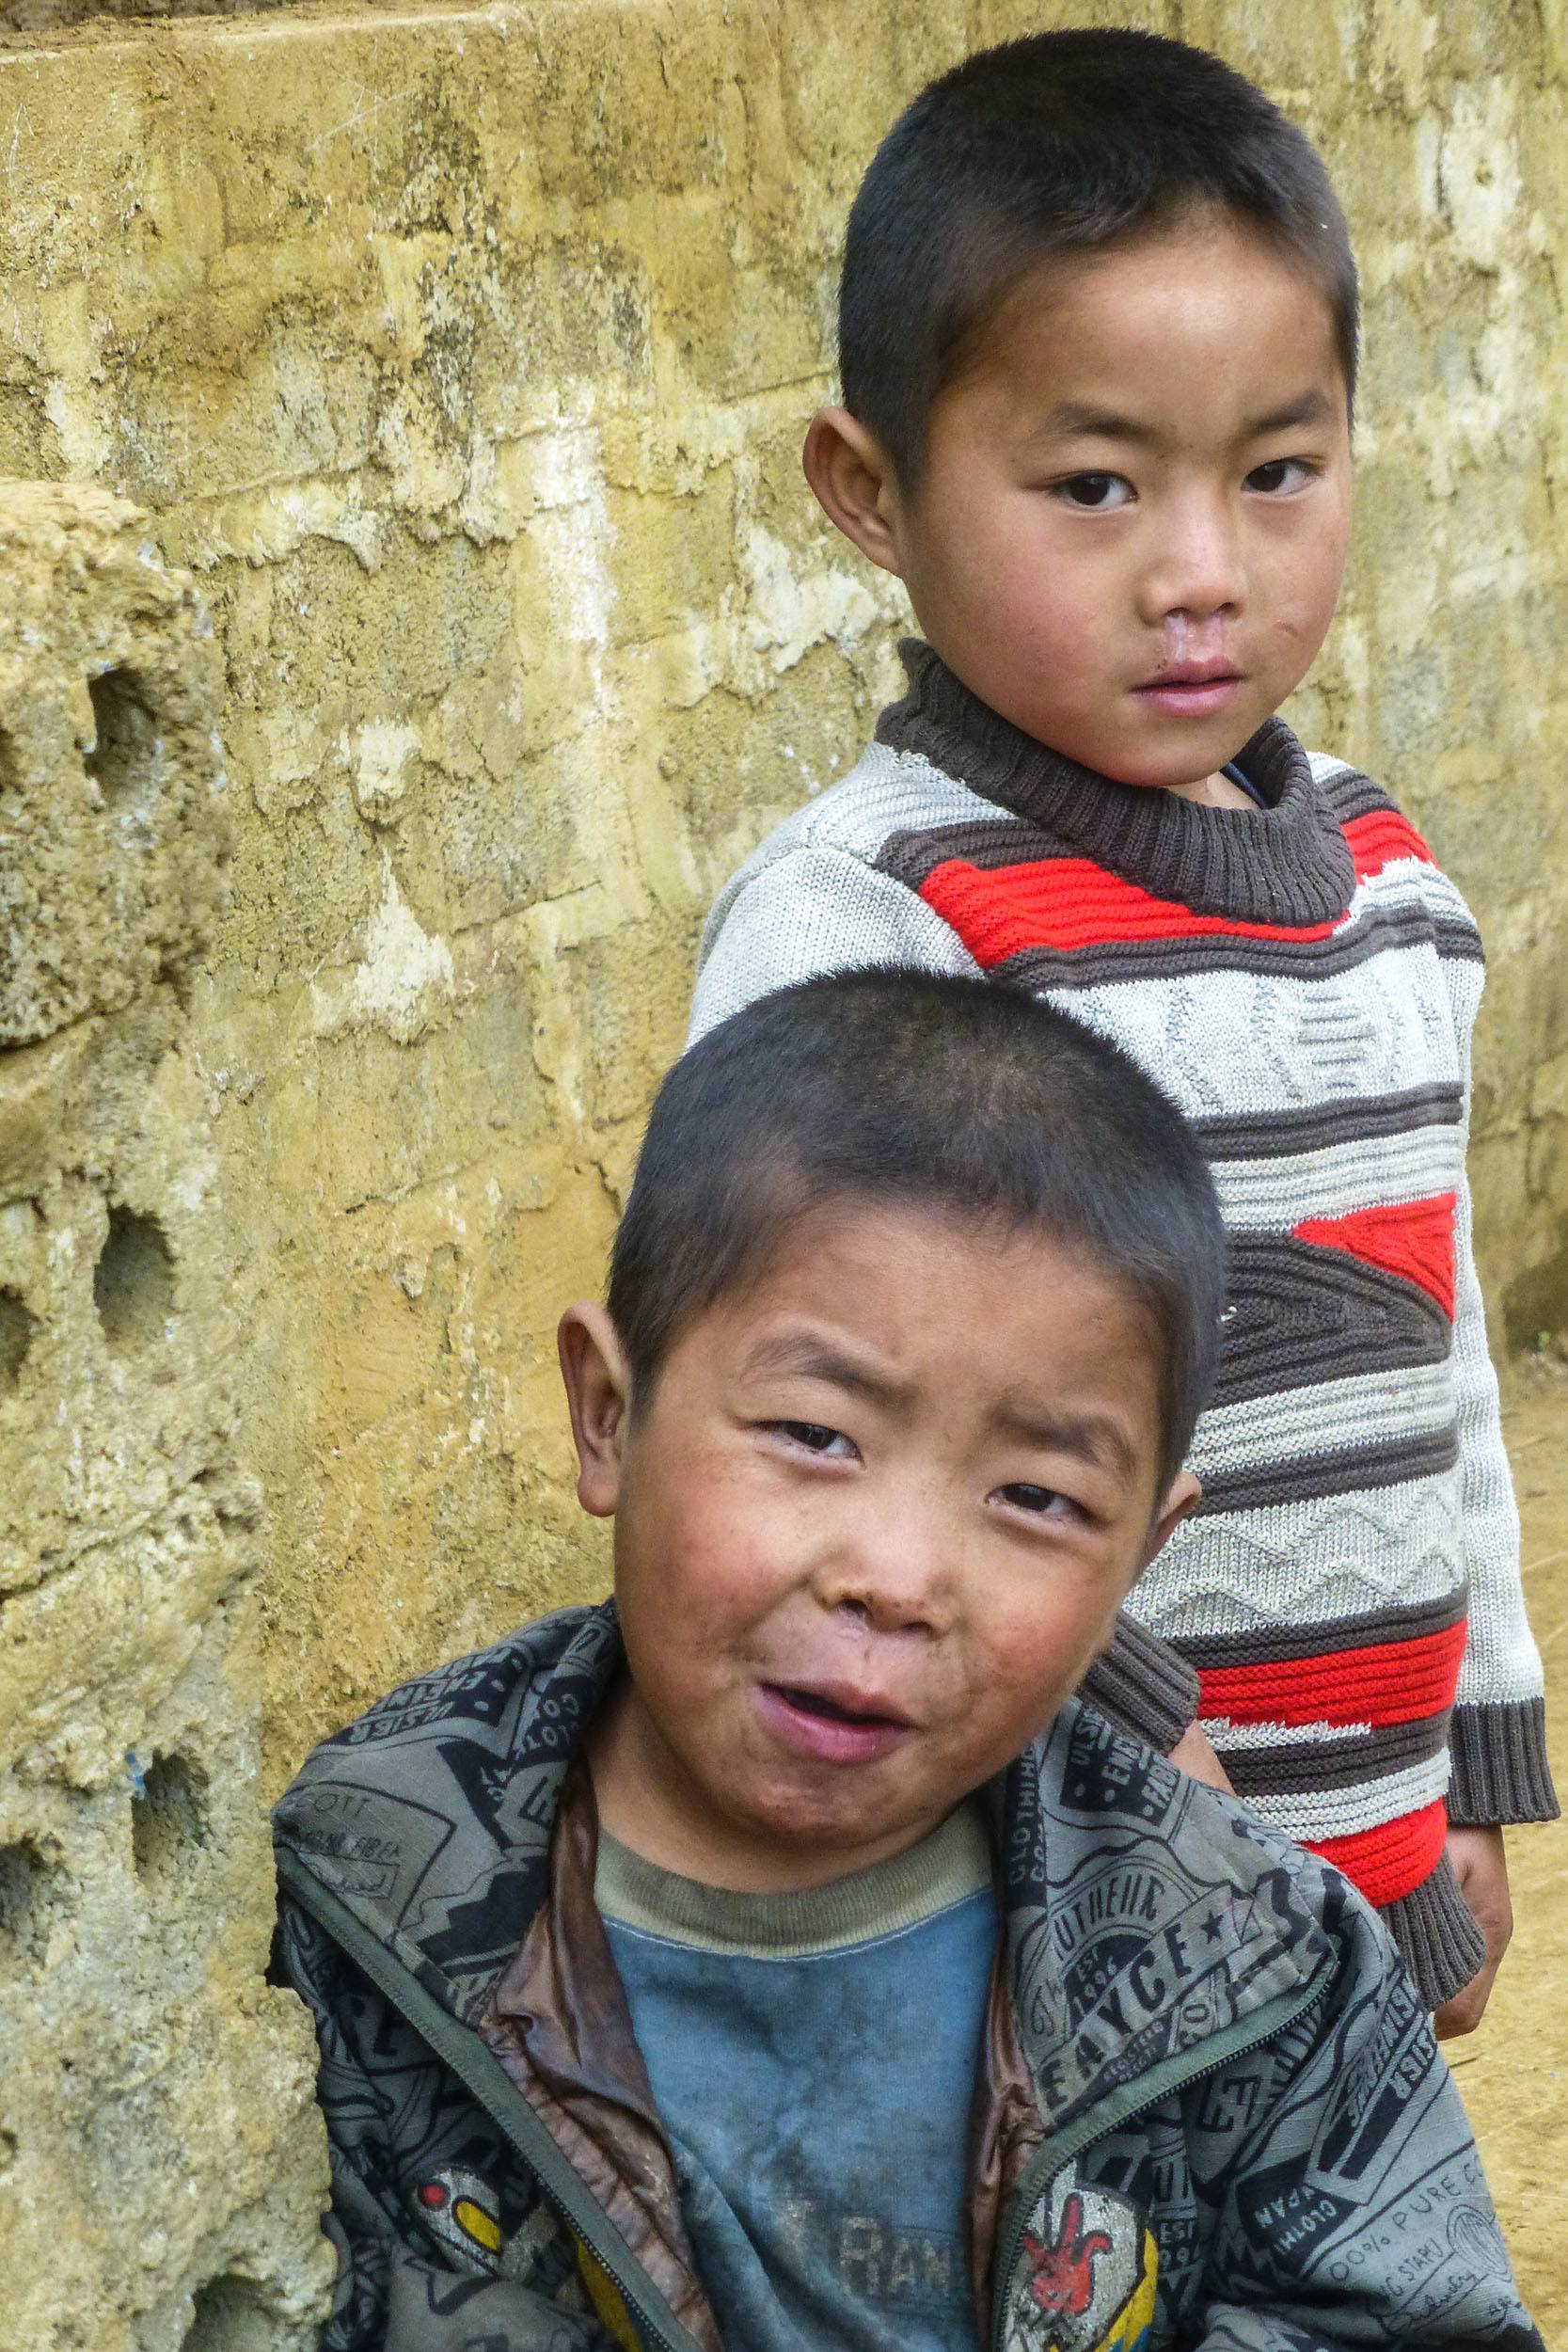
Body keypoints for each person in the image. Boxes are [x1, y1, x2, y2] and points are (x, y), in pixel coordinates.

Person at [273, 970, 1540, 2352]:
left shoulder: (1259, 1966)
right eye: (816, 1434)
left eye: (1038, 1500)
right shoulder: (372, 1885)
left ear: (1142, 1558)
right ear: (606, 1413)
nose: (896, 1579)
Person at [688, 26, 1556, 2037]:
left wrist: (1473, 1775)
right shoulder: (880, 923)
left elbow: (1443, 1366)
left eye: (1279, 473)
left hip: (1363, 1886)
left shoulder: (1394, 889)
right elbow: (825, 1438)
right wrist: (1139, 1754)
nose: (1201, 575)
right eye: (1093, 484)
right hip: (1041, 1897)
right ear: (871, 490)